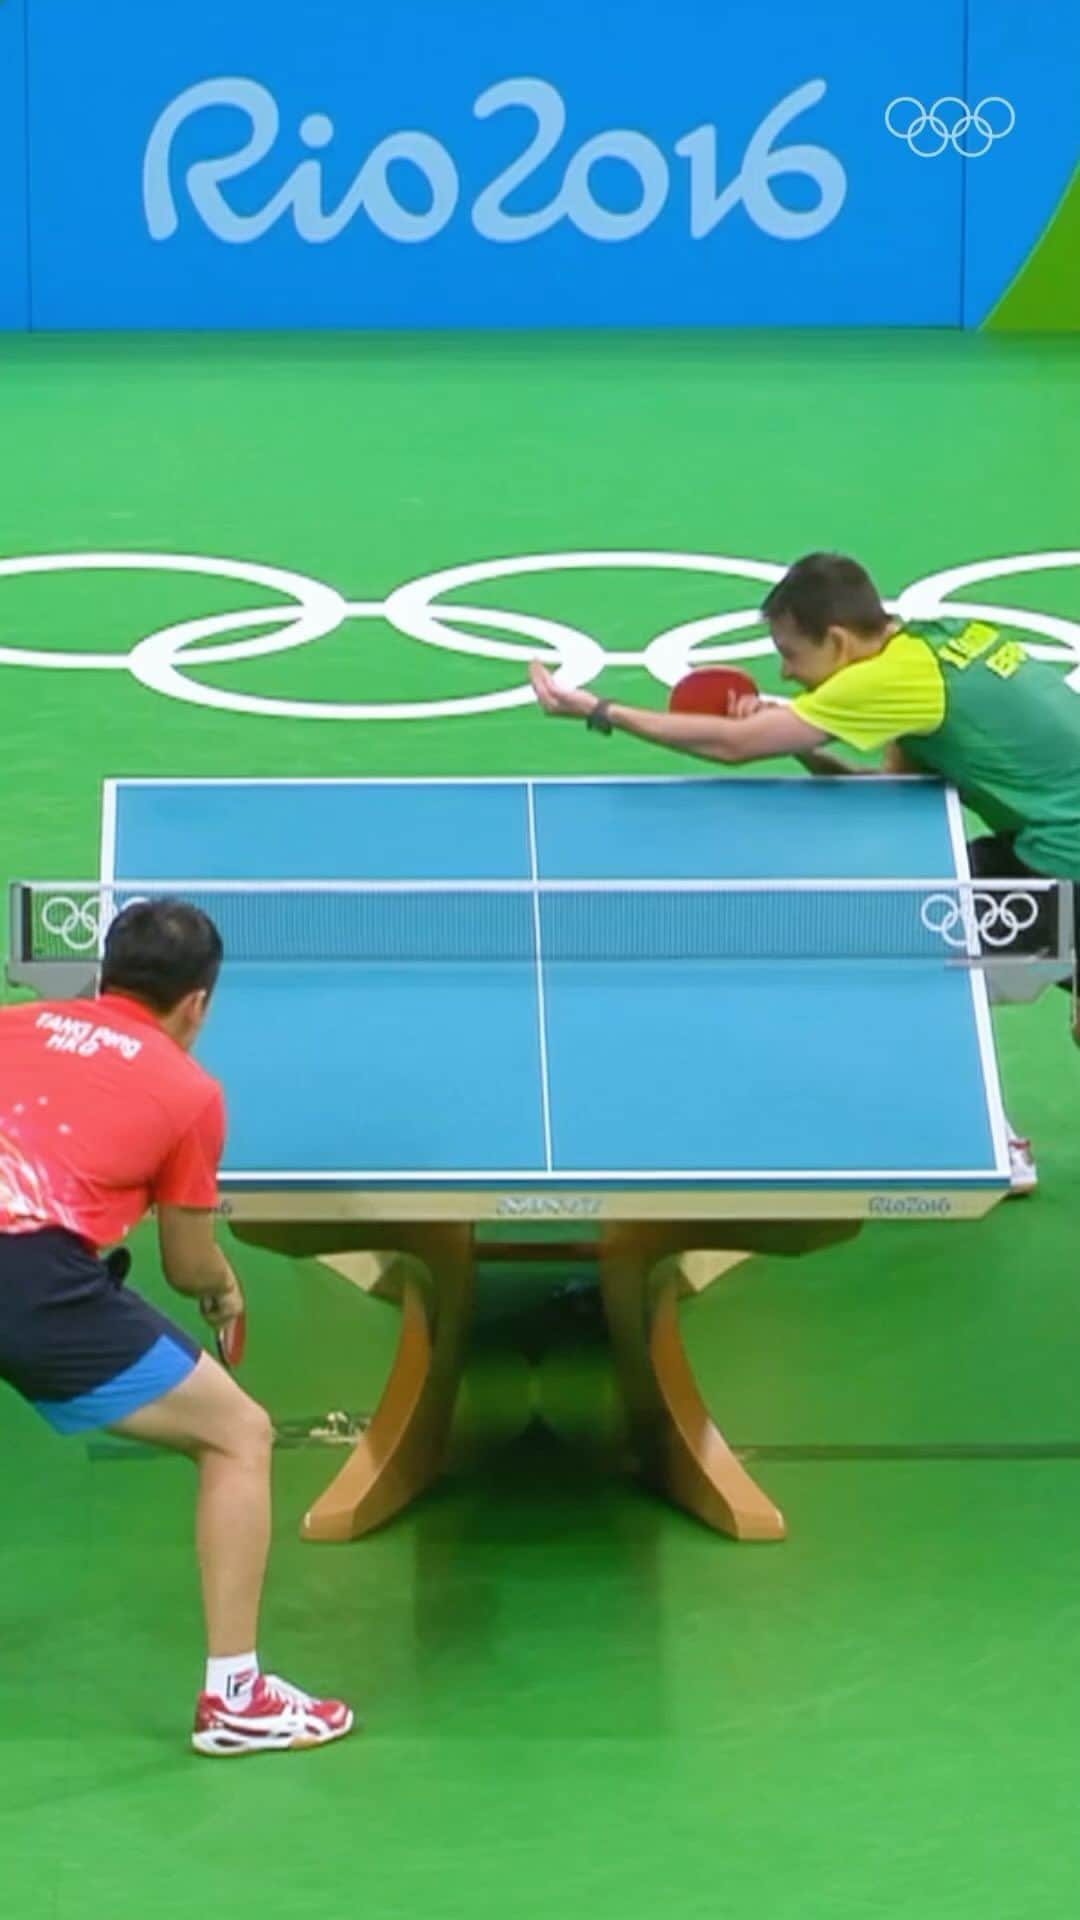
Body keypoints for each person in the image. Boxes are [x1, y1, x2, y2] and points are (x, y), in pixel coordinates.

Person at [529, 551, 1080, 1194]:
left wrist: (603, 711)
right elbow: (894, 795)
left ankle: (992, 1147)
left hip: (1059, 859)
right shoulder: (933, 642)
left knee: (918, 964)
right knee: (934, 905)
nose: (786, 673)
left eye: (791, 653)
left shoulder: (892, 682)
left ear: (840, 641)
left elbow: (732, 746)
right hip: (1045, 842)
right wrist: (803, 740)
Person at [0, 898, 354, 1756]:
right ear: (197, 1003)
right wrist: (225, 1290)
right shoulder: (189, 1091)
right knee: (239, 1434)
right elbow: (186, 1259)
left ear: (102, 974)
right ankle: (235, 1697)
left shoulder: (12, 1024)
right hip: (29, 1282)